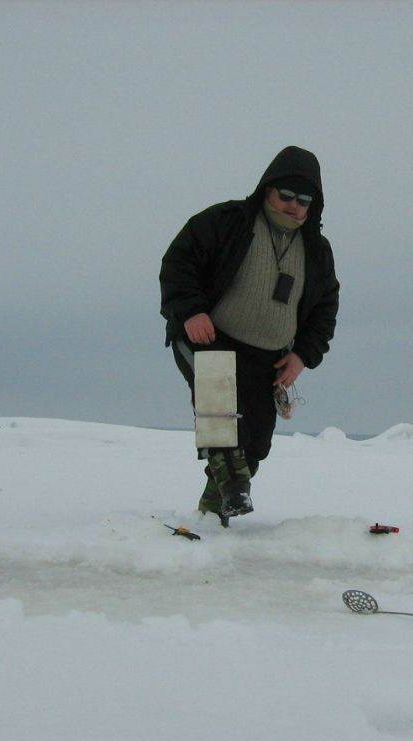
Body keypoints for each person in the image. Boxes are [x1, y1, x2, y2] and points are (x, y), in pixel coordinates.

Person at [160, 146, 340, 525]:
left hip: (269, 355)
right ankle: (233, 491)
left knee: (255, 441)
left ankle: (212, 515)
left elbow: (326, 306)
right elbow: (179, 262)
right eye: (286, 196)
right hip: (210, 338)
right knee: (222, 417)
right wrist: (192, 310)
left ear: (314, 205)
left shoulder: (317, 251)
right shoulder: (228, 222)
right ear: (267, 190)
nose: (293, 206)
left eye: (303, 199)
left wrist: (303, 354)